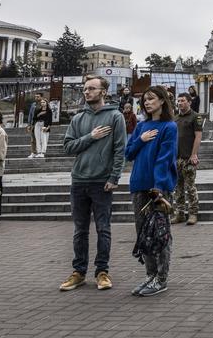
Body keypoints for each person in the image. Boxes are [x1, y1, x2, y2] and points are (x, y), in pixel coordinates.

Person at [60, 75, 127, 291]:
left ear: (103, 92)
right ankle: (79, 272)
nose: (86, 92)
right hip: (79, 180)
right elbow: (68, 147)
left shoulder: (116, 116)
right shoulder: (78, 119)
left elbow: (120, 150)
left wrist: (114, 177)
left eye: (91, 88)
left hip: (102, 182)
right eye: (85, 89)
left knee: (103, 228)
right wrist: (91, 136)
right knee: (80, 230)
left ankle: (102, 272)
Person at [125, 86, 179, 296]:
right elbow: (128, 153)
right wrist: (141, 139)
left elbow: (165, 158)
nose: (147, 103)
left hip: (158, 188)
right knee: (143, 234)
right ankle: (150, 275)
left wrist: (159, 187)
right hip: (138, 184)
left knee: (160, 234)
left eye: (151, 99)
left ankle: (161, 278)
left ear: (162, 101)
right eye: (144, 100)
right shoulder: (141, 126)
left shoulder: (169, 127)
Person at [172, 93, 203, 226]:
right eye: (178, 101)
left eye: (183, 101)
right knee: (177, 188)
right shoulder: (175, 118)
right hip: (176, 159)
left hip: (188, 158)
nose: (180, 103)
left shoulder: (196, 117)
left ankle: (193, 213)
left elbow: (198, 137)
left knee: (190, 187)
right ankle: (179, 213)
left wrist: (194, 154)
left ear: (189, 102)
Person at [26, 92, 42, 156]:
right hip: (33, 124)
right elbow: (30, 114)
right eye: (35, 97)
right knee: (33, 139)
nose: (36, 98)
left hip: (41, 124)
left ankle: (40, 152)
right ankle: (33, 152)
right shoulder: (33, 105)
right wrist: (29, 124)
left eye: (38, 96)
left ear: (41, 97)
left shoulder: (44, 104)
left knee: (40, 138)